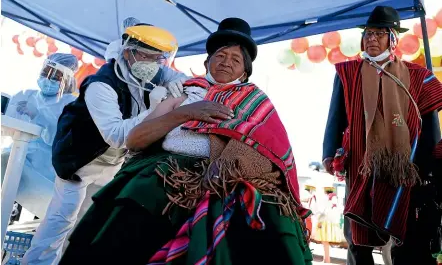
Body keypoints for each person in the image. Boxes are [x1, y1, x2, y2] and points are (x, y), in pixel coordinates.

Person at [59, 17, 313, 265]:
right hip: (164, 172)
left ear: (245, 70)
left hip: (226, 174)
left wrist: (227, 164)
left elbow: (272, 152)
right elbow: (135, 140)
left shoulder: (256, 103)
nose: (226, 63)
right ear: (207, 61)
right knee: (134, 211)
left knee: (265, 215)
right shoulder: (183, 91)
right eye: (220, 56)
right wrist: (187, 112)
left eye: (236, 59)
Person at [22, 21, 189, 265]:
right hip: (79, 160)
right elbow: (116, 135)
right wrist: (155, 110)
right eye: (146, 55)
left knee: (91, 222)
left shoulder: (152, 72)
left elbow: (180, 79)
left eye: (157, 58)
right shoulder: (101, 85)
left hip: (111, 163)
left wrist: (184, 84)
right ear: (128, 51)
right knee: (61, 219)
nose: (152, 64)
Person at [322, 6, 442, 265]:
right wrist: (328, 154)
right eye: (368, 34)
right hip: (361, 166)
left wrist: (432, 167)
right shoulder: (348, 73)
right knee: (357, 238)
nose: (372, 39)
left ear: (393, 39)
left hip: (406, 169)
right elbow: (335, 118)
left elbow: (430, 124)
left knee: (405, 237)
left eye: (379, 34)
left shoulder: (417, 76)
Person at [1, 53, 78, 218]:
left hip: (43, 170)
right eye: (45, 72)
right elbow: (6, 130)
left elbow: (60, 138)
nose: (48, 78)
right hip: (15, 156)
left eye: (55, 76)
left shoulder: (70, 105)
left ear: (67, 79)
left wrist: (38, 116)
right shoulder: (26, 95)